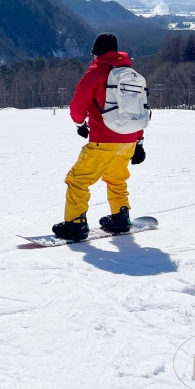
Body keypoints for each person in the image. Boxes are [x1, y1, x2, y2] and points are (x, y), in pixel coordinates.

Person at [51, 33, 146, 241]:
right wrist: (139, 140)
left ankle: (75, 224)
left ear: (96, 52)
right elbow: (137, 109)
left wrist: (79, 124)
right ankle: (120, 217)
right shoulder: (129, 73)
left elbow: (78, 105)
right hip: (129, 139)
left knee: (78, 179)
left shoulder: (96, 72)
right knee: (116, 178)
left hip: (104, 139)